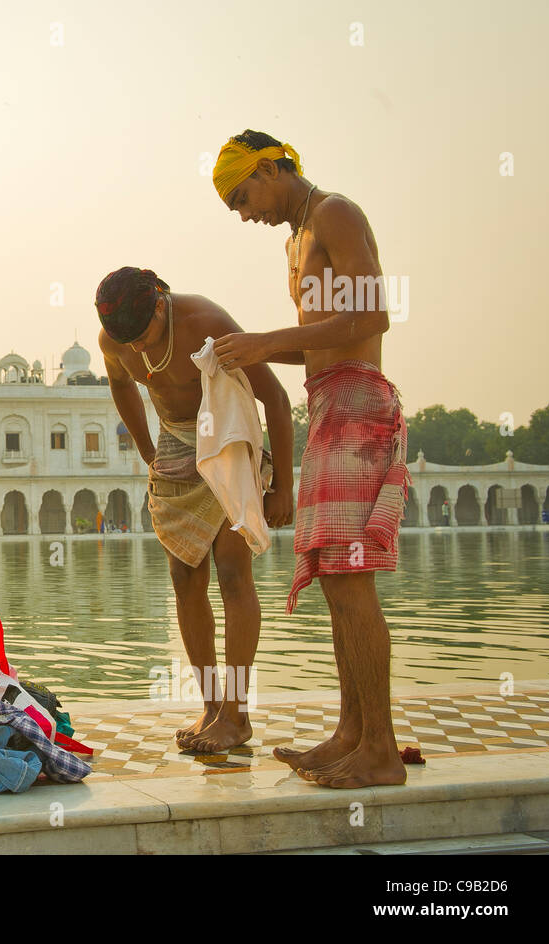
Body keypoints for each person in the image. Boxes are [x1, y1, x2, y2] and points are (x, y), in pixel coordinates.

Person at [211, 129, 408, 787]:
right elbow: (321, 338)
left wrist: (268, 338)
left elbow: (372, 313)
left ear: (273, 167)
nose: (244, 213)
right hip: (325, 401)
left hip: (357, 402)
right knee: (333, 579)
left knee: (351, 577)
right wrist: (257, 350)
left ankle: (379, 751)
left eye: (244, 195)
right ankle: (352, 733)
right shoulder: (296, 241)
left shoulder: (334, 214)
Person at [98, 266, 294, 753]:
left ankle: (237, 713)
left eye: (145, 339)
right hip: (175, 442)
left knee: (232, 574)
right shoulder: (116, 338)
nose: (140, 352)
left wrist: (283, 486)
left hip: (226, 435)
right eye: (131, 344)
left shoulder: (205, 321)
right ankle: (211, 705)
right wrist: (147, 451)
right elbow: (122, 386)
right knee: (185, 579)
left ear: (161, 306)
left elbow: (276, 398)